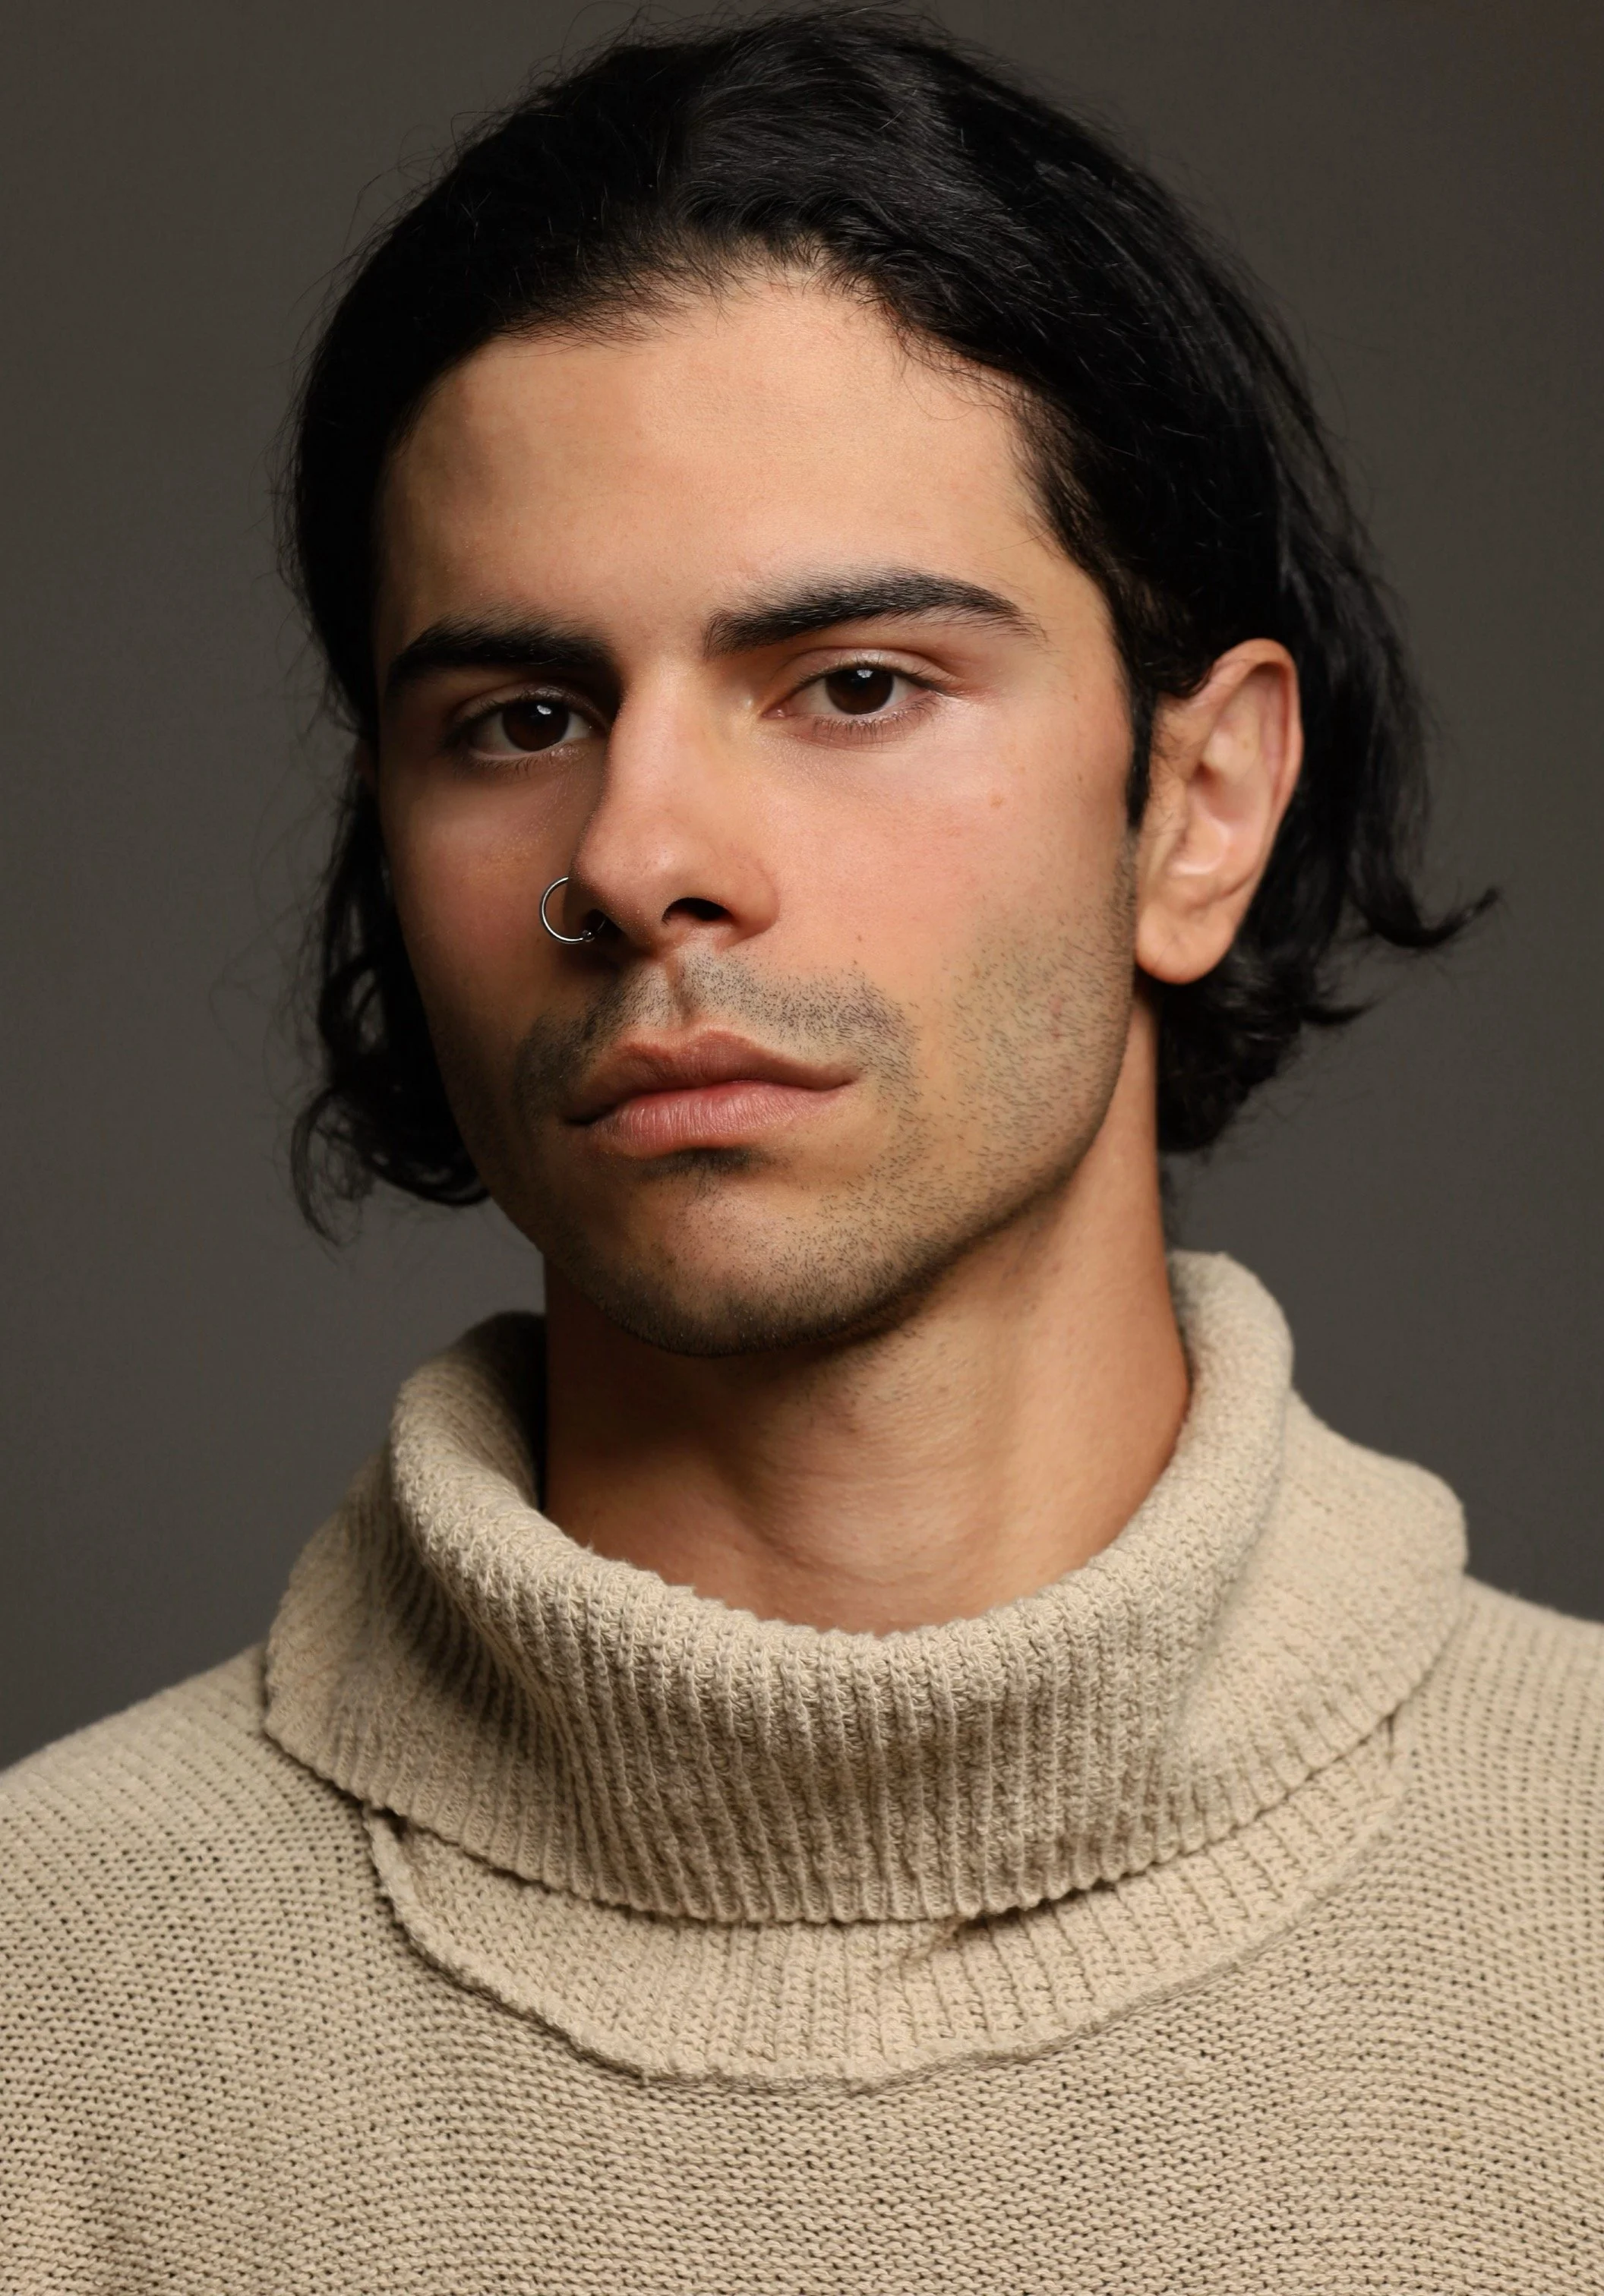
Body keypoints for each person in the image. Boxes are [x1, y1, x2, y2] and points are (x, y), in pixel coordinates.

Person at [5, 11, 1600, 2288]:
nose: (641, 852)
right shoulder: (51, 2008)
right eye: (519, 719)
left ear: (1201, 805)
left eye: (856, 684)